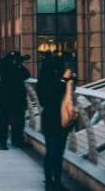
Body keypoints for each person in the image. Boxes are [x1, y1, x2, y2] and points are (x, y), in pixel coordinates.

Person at [36, 57, 74, 190]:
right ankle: (53, 182)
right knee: (55, 153)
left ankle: (52, 181)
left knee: (53, 152)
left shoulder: (42, 81)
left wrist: (68, 80)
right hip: (55, 120)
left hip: (52, 120)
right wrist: (64, 80)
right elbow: (50, 97)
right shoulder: (48, 82)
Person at [0, 51, 31, 150]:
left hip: (17, 98)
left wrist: (18, 65)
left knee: (19, 121)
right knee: (4, 122)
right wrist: (15, 65)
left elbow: (27, 75)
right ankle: (2, 142)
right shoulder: (3, 66)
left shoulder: (17, 67)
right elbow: (1, 70)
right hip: (6, 98)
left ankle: (17, 140)